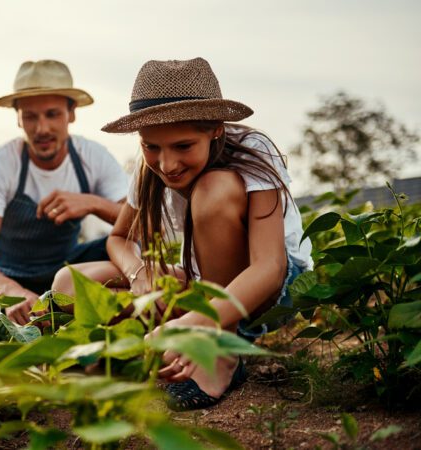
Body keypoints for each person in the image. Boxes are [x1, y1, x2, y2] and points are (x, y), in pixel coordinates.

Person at [51, 57, 312, 410]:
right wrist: (139, 273)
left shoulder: (252, 151)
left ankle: (218, 351)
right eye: (150, 147)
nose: (167, 164)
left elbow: (269, 267)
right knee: (68, 284)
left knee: (213, 189)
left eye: (183, 146)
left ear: (216, 129)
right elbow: (119, 238)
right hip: (202, 285)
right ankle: (154, 345)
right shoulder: (150, 169)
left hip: (270, 291)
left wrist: (194, 319)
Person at [0, 60, 128, 325]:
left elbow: (142, 224)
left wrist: (93, 203)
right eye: (30, 116)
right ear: (18, 118)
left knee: (120, 245)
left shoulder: (93, 157)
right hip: (8, 273)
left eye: (52, 114)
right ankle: (58, 309)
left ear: (71, 113)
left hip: (65, 268)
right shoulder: (2, 163)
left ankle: (109, 304)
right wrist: (9, 292)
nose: (42, 129)